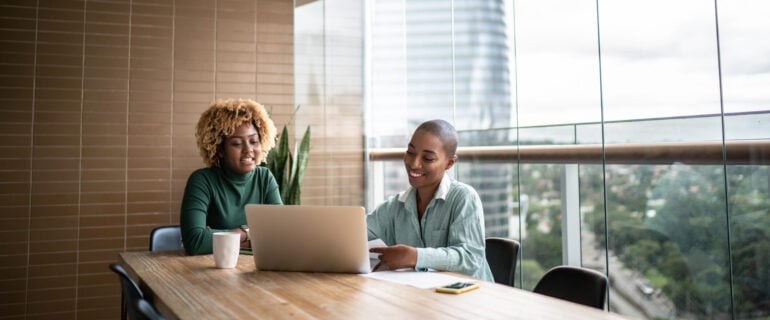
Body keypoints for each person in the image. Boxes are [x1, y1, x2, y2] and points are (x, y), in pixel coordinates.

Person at [367, 119, 493, 281]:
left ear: (449, 163)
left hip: (470, 296)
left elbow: (470, 258)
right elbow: (358, 234)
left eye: (427, 159)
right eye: (410, 152)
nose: (414, 163)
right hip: (423, 296)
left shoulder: (463, 197)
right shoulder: (394, 207)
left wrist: (414, 256)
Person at [180, 98, 282, 255]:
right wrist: (250, 235)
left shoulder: (265, 178)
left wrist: (223, 236)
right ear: (220, 149)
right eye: (237, 143)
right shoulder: (202, 181)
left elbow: (281, 234)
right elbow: (195, 242)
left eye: (254, 141)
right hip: (213, 271)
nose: (248, 150)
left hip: (257, 269)